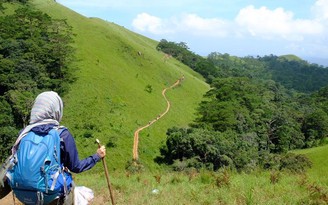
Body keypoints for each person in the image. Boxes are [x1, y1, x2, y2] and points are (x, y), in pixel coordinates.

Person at [11, 91, 106, 205]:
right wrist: (96, 156)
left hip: (24, 193)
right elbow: (76, 167)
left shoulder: (24, 134)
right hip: (51, 195)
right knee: (70, 188)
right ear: (56, 110)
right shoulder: (62, 134)